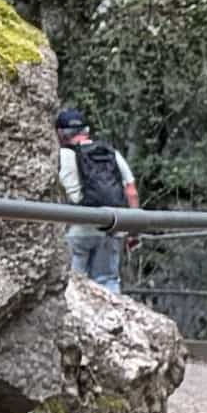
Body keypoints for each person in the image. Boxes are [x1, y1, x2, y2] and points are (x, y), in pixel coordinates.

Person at [57, 105, 132, 285]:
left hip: (78, 228)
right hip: (110, 226)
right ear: (86, 130)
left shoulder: (60, 156)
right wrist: (132, 227)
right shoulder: (109, 152)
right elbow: (131, 189)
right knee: (108, 281)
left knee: (73, 285)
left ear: (60, 133)